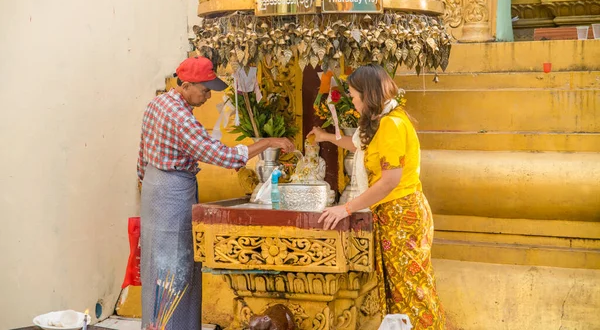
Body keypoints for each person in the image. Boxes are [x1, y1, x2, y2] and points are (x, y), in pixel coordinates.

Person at [137, 56, 294, 330]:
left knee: (157, 268)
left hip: (153, 188)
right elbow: (220, 155)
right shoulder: (180, 117)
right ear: (185, 85)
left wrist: (151, 183)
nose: (208, 96)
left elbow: (141, 159)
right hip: (172, 193)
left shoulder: (157, 104)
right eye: (205, 89)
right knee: (176, 267)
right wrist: (267, 142)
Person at [308, 64, 445, 329]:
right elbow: (359, 145)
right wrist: (325, 136)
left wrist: (345, 209)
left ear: (367, 95)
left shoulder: (392, 124)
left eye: (355, 97)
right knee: (398, 293)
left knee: (412, 291)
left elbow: (390, 181)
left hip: (401, 213)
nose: (355, 103)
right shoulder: (383, 121)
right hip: (393, 213)